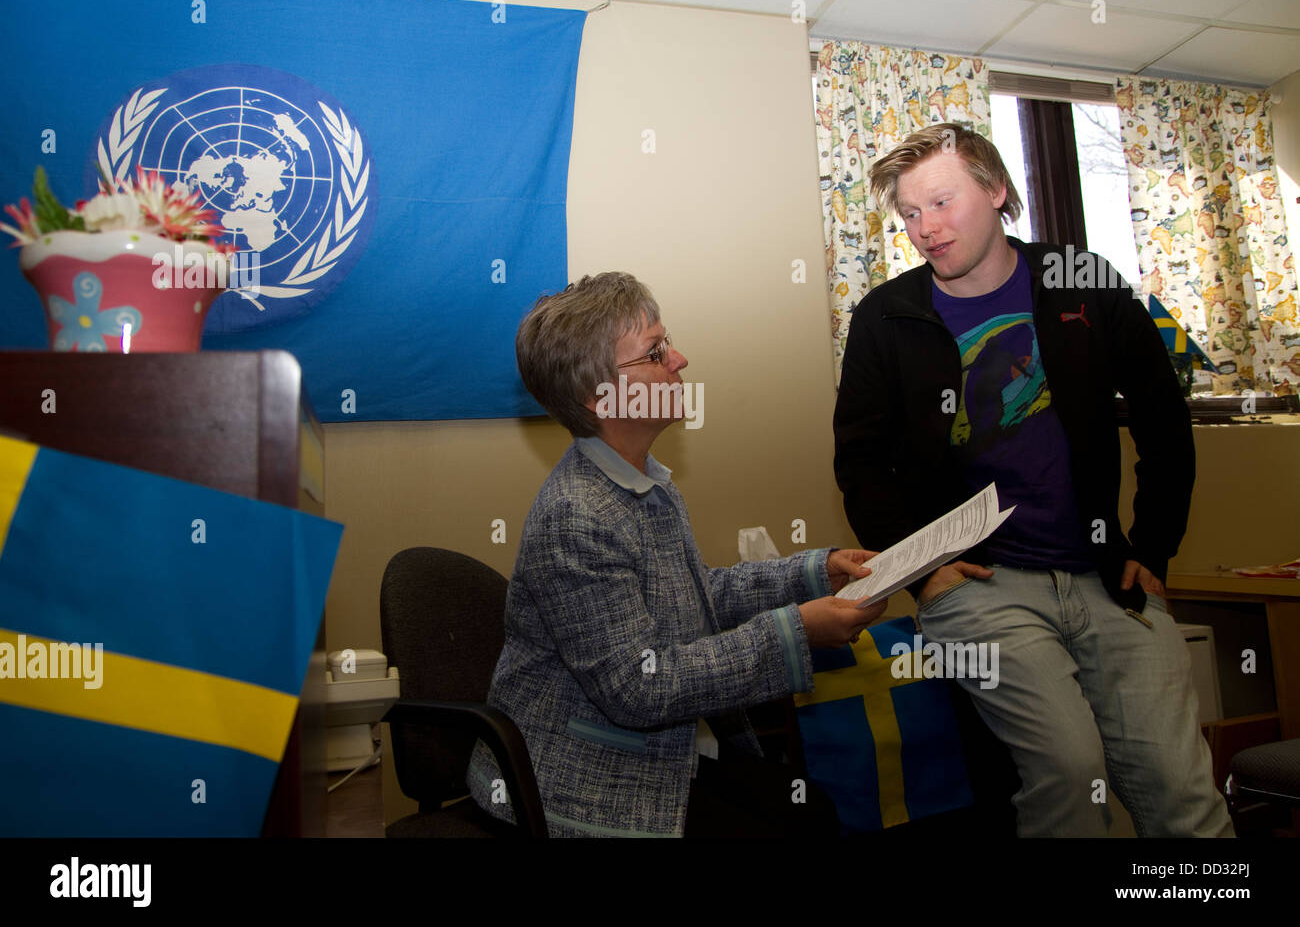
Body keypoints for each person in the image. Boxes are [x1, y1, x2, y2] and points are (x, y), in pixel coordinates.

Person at [833, 123, 1233, 837]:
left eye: (942, 203)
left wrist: (1156, 543)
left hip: (1107, 577)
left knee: (1182, 791)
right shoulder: (885, 318)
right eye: (910, 215)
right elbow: (860, 462)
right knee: (1072, 776)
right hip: (982, 587)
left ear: (996, 190)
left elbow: (1163, 421)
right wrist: (924, 573)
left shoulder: (1084, 282)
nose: (926, 229)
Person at [467, 272, 883, 837]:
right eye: (656, 351)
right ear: (601, 395)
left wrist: (814, 571)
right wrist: (796, 632)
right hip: (581, 779)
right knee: (802, 821)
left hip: (658, 748)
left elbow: (697, 595)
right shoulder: (576, 516)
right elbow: (639, 688)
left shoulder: (644, 483)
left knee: (810, 812)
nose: (680, 359)